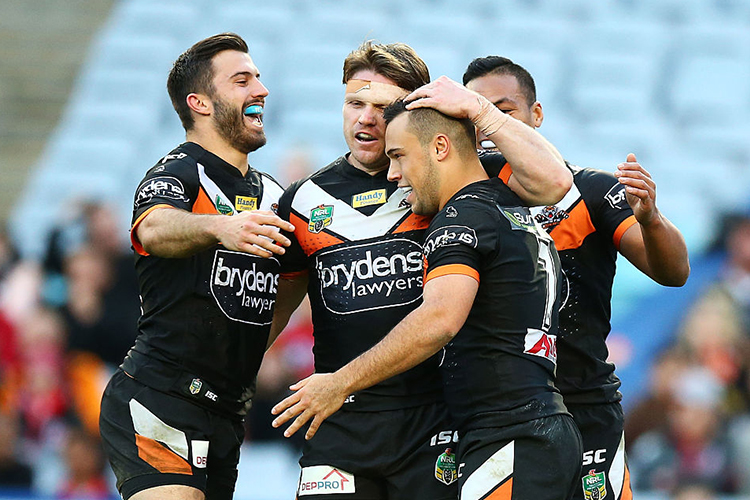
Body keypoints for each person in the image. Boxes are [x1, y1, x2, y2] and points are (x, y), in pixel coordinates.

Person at [269, 41, 573, 499]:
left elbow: (554, 182)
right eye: (355, 103)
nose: (366, 118)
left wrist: (478, 109)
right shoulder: (302, 201)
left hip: (436, 423)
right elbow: (275, 313)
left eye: (382, 106)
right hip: (341, 421)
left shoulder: (457, 179)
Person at [462, 55, 691, 500]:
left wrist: (652, 219)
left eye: (502, 112)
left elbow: (675, 272)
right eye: (475, 113)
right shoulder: (461, 205)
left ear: (537, 114)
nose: (488, 127)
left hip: (585, 403)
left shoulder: (590, 190)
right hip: (496, 412)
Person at [98, 33, 295, 500]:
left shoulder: (273, 193)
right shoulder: (178, 172)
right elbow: (153, 228)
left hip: (226, 411)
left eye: (260, 79)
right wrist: (219, 228)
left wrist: (245, 354)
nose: (261, 90)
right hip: (158, 397)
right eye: (242, 80)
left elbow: (287, 290)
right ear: (200, 103)